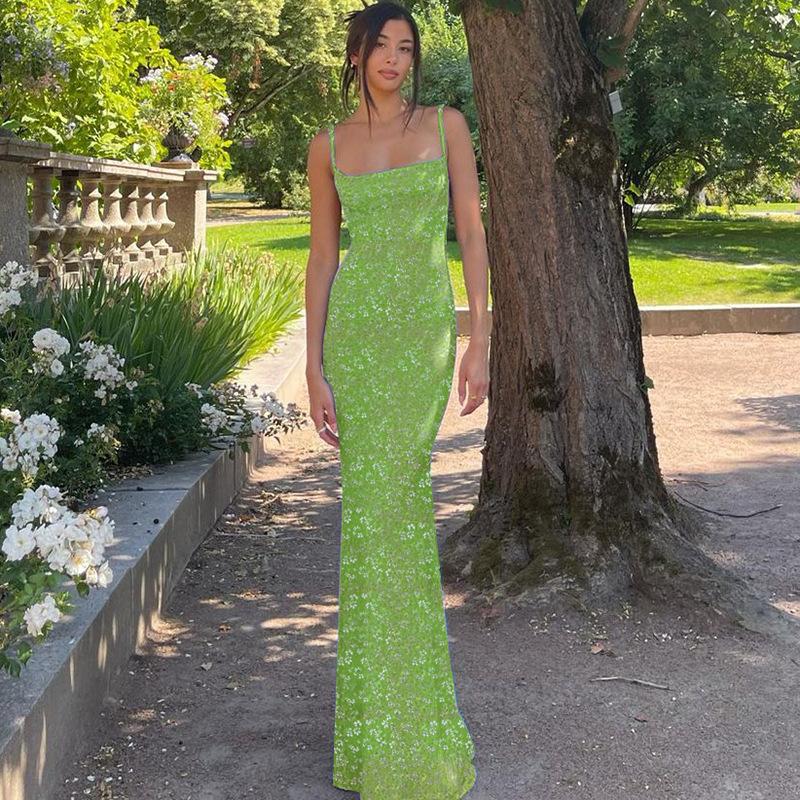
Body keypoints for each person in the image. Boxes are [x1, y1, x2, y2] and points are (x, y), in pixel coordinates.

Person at [304, 2, 490, 797]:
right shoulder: (326, 145)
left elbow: (472, 233)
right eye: (379, 45)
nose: (392, 58)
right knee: (370, 525)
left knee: (400, 513)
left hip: (420, 340)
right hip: (355, 342)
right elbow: (321, 258)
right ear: (355, 54)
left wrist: (481, 338)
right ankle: (373, 733)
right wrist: (313, 367)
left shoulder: (446, 125)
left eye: (405, 47)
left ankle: (410, 726)